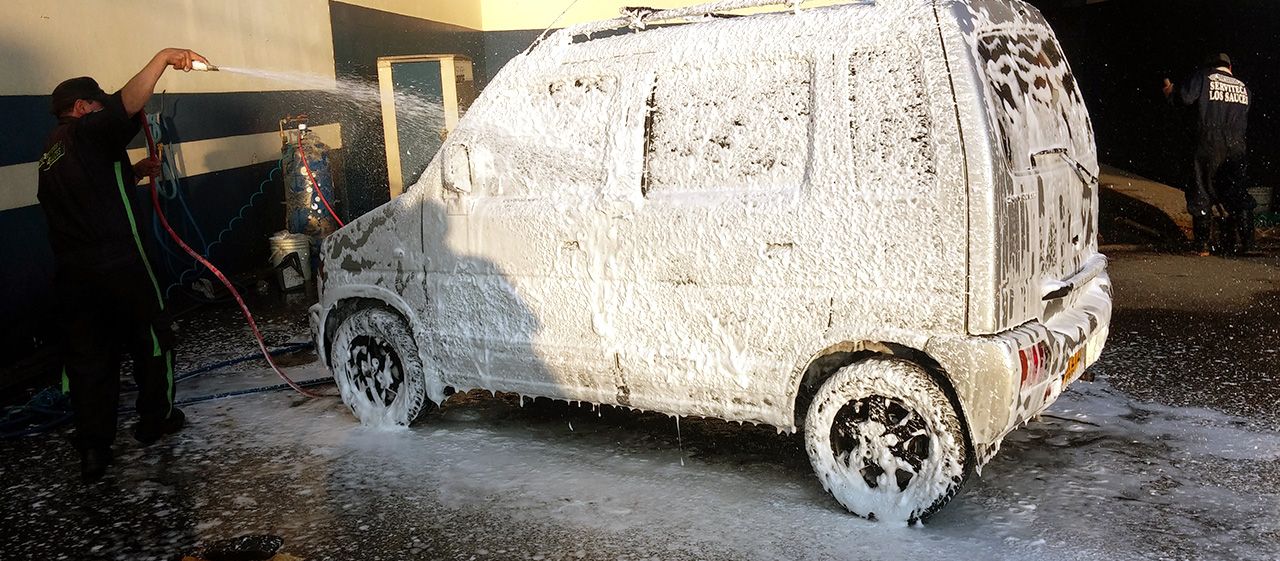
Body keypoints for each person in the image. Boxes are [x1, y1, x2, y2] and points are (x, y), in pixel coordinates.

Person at [37, 48, 210, 482]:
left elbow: (89, 191)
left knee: (89, 359)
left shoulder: (53, 152)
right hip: (121, 266)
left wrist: (133, 172)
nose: (102, 109)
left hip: (75, 277)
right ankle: (156, 419)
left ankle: (94, 450)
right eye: (96, 104)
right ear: (81, 109)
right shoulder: (87, 132)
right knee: (152, 338)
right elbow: (125, 103)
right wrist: (165, 57)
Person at [1162, 52, 1255, 255]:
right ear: (1230, 68)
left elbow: (1185, 99)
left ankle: (1203, 245)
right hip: (1237, 146)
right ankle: (1247, 244)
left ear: (1212, 65)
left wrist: (1171, 93)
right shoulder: (1243, 87)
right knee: (1237, 192)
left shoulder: (1204, 77)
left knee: (1201, 189)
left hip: (1207, 141)